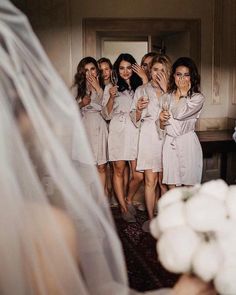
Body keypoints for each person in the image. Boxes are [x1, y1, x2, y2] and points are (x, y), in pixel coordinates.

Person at [0, 2, 217, 294]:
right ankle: (117, 206)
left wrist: (140, 102)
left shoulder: (144, 88)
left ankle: (128, 206)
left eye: (100, 68)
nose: (98, 72)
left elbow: (162, 116)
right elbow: (110, 113)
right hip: (110, 131)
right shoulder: (104, 89)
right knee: (113, 170)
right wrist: (103, 101)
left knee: (137, 174)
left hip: (150, 136)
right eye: (93, 69)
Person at [102, 53, 144, 222]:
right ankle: (124, 207)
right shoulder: (110, 87)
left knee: (139, 174)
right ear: (117, 70)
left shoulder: (140, 87)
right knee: (118, 170)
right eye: (121, 68)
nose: (125, 72)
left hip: (135, 130)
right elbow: (106, 114)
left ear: (133, 69)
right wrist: (111, 97)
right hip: (118, 129)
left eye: (128, 68)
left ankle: (128, 198)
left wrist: (145, 77)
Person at [130, 54, 171, 231]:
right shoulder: (141, 90)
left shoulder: (172, 91)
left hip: (167, 137)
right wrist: (138, 110)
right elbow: (134, 118)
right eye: (155, 69)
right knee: (149, 180)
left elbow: (178, 114)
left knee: (164, 182)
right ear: (150, 70)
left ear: (168, 72)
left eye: (162, 70)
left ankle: (164, 217)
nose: (158, 73)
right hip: (148, 136)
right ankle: (150, 218)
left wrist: (166, 90)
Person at [159, 57, 205, 188]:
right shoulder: (166, 97)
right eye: (178, 74)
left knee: (189, 186)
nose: (182, 78)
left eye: (186, 75)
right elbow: (162, 128)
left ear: (192, 77)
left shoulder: (197, 98)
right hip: (170, 143)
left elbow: (179, 114)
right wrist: (161, 120)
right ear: (173, 76)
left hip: (187, 143)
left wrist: (184, 94)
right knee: (171, 186)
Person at [73, 57, 108, 191]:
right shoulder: (78, 88)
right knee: (87, 166)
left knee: (101, 166)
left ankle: (101, 201)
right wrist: (82, 103)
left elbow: (109, 109)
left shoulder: (106, 85)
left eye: (92, 69)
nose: (90, 73)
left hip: (100, 125)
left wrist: (98, 88)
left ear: (97, 70)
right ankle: (89, 202)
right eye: (86, 70)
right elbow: (69, 111)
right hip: (84, 127)